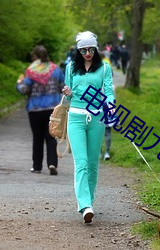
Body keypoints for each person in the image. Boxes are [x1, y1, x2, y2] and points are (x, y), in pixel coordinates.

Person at [62, 31, 115, 223]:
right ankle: (84, 205)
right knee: (81, 162)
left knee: (93, 163)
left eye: (91, 49)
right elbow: (68, 97)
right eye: (83, 50)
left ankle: (89, 201)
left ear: (96, 48)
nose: (87, 53)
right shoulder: (70, 68)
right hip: (75, 118)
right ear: (78, 50)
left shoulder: (104, 68)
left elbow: (108, 92)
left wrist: (110, 105)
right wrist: (67, 92)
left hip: (97, 118)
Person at [16, 45, 65, 175]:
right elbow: (63, 87)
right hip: (52, 109)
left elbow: (24, 90)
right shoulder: (56, 70)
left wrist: (19, 83)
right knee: (51, 137)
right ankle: (52, 163)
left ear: (35, 57)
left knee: (37, 138)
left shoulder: (31, 71)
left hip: (35, 109)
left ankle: (37, 166)